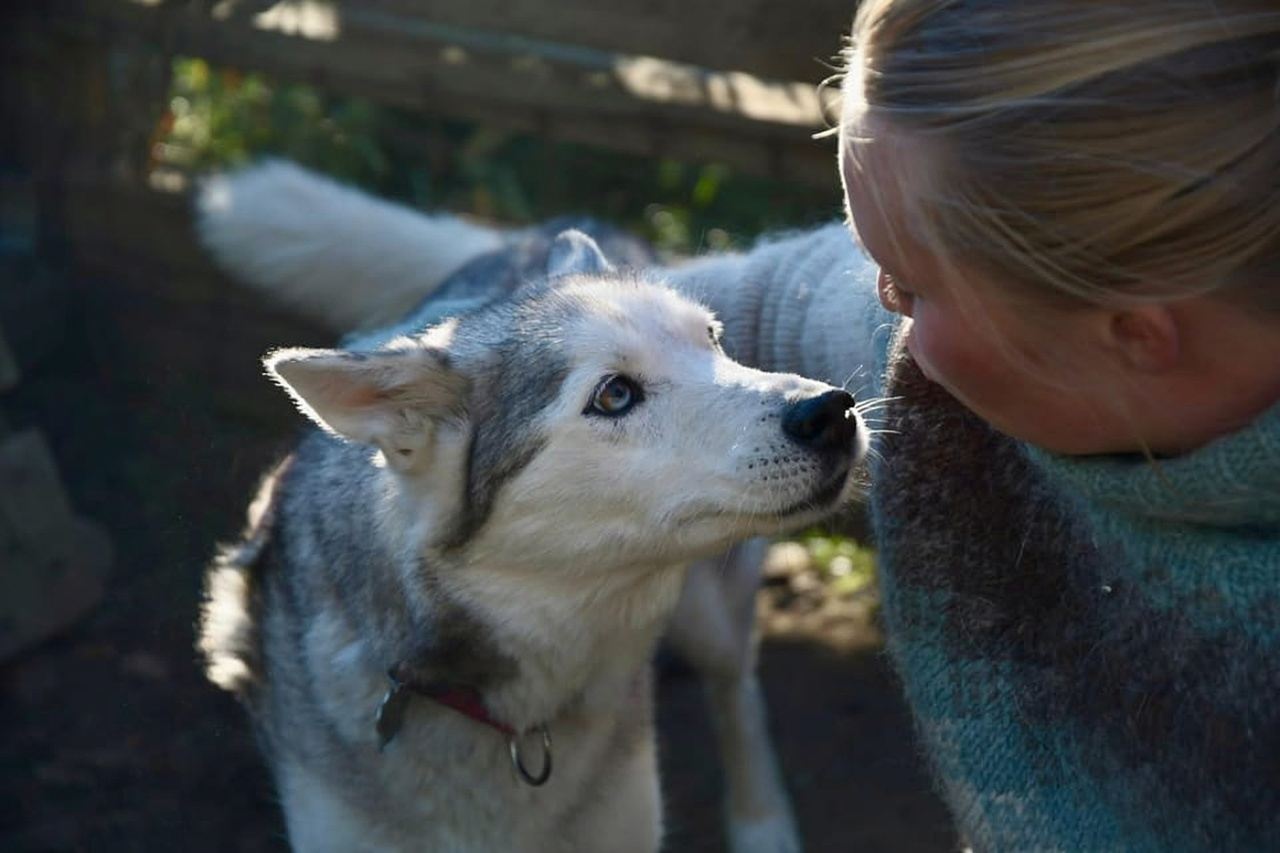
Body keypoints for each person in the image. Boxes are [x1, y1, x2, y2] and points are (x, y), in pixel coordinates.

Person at [669, 0, 1280, 848]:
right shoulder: (1000, 351)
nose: (882, 298)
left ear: (1133, 335)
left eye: (913, 286)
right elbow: (762, 299)